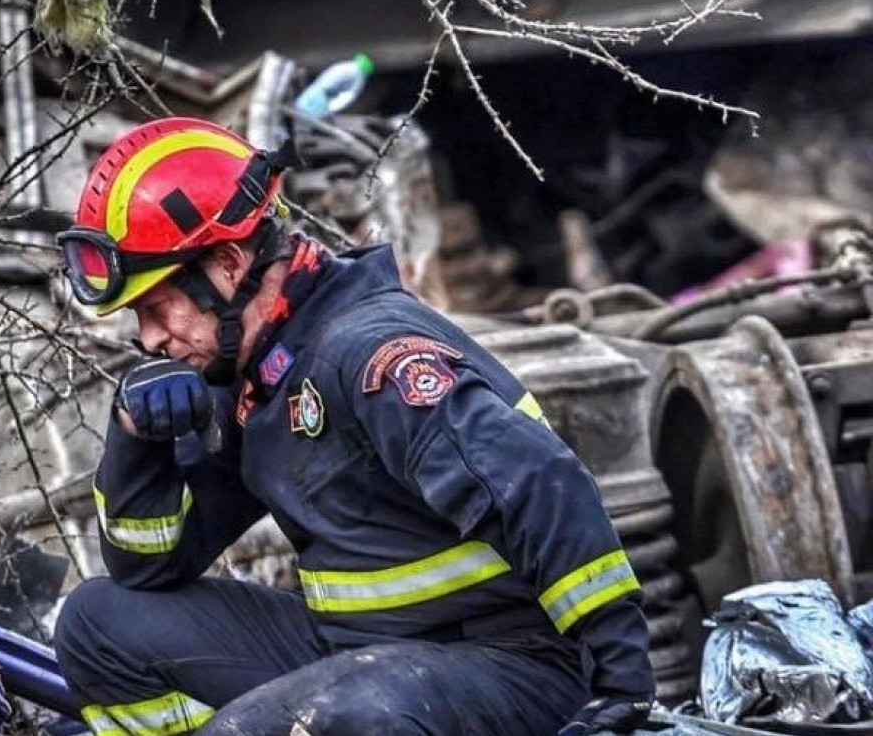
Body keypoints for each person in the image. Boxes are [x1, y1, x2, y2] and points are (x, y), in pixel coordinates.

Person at [51, 117, 654, 736]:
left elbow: (542, 485)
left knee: (340, 713)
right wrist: (139, 440)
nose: (150, 338)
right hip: (355, 657)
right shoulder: (258, 378)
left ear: (229, 264)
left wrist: (618, 680)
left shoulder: (372, 352)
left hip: (511, 668)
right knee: (96, 623)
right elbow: (148, 568)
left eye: (157, 308)